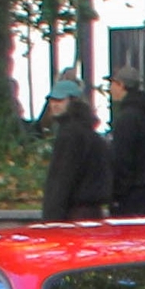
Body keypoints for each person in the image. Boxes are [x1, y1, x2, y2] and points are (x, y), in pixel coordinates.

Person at [40, 77, 113, 222]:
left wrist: (51, 218)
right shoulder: (87, 131)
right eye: (53, 100)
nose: (54, 105)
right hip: (91, 210)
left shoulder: (70, 134)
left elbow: (62, 177)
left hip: (74, 213)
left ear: (72, 101)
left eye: (60, 100)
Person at [108, 68, 145, 217]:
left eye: (113, 84)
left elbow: (121, 157)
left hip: (128, 195)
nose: (110, 89)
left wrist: (116, 193)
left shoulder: (127, 117)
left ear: (121, 85)